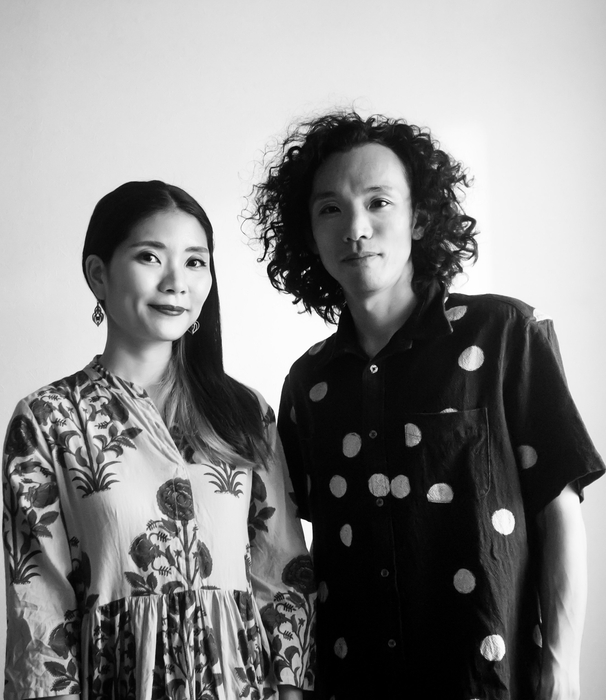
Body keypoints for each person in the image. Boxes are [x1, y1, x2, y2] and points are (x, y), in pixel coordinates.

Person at [249, 111, 605, 699]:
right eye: (330, 209)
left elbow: (559, 507)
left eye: (379, 202)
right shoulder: (308, 382)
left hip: (485, 680)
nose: (355, 228)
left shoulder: (503, 333)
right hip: (354, 682)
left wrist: (561, 668)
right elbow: (291, 550)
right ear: (309, 233)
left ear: (418, 217)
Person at [2, 180, 315, 700]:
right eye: (150, 257)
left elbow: (282, 569)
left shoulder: (244, 413)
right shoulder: (48, 419)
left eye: (195, 262)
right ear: (98, 274)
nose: (176, 282)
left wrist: (292, 690)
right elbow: (39, 605)